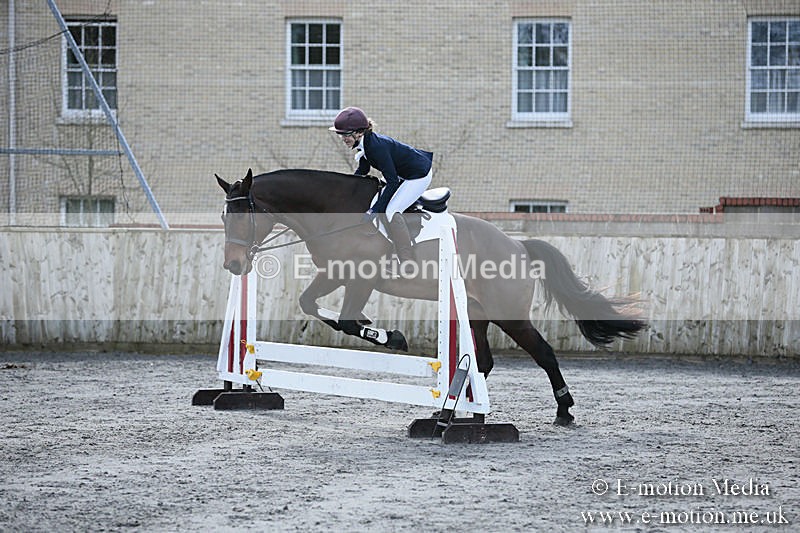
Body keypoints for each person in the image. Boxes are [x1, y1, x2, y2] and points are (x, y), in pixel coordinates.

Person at [330, 106, 433, 264]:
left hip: (418, 175)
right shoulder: (366, 143)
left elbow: (392, 182)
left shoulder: (376, 147)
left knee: (391, 211)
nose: (343, 139)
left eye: (346, 135)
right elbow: (363, 170)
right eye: (341, 135)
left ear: (359, 132)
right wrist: (346, 188)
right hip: (404, 174)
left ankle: (407, 260)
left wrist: (375, 210)